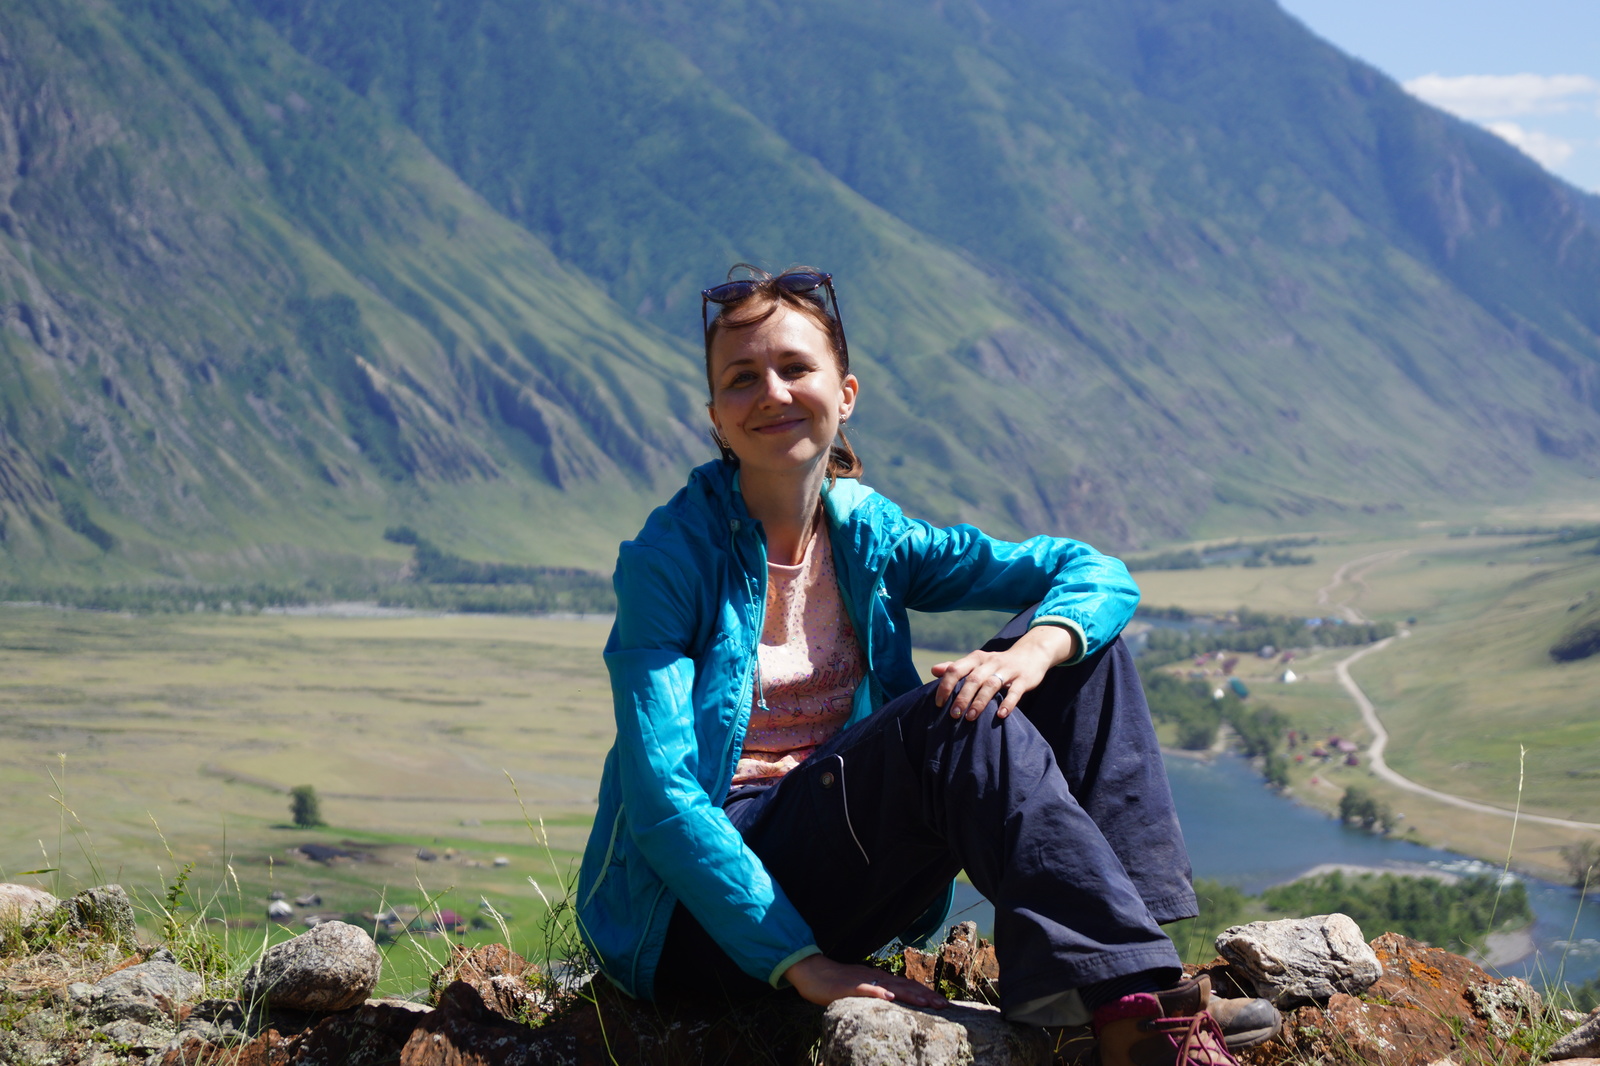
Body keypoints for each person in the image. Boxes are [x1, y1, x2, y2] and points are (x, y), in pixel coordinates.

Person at [576, 266, 1273, 1065]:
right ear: (716, 419)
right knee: (954, 716)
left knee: (1085, 654)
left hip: (837, 871)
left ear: (845, 394)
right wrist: (803, 965)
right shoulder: (669, 560)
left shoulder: (869, 535)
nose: (771, 391)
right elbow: (663, 800)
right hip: (696, 927)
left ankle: (1129, 993)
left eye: (796, 368)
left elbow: (1096, 572)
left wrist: (1041, 647)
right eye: (742, 378)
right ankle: (1131, 1017)